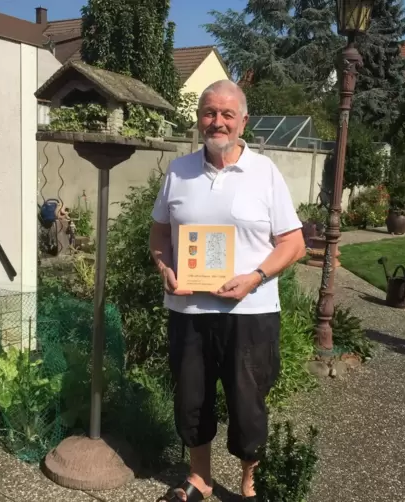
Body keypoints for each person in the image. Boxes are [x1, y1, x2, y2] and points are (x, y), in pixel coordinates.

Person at [149, 80, 306, 502]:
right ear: (199, 118)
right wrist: (164, 265)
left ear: (243, 122)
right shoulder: (178, 171)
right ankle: (199, 478)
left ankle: (249, 485)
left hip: (250, 313)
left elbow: (294, 243)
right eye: (208, 113)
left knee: (248, 402)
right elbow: (160, 233)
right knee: (191, 398)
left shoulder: (265, 173)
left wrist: (254, 276)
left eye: (226, 114)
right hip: (189, 310)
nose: (216, 122)